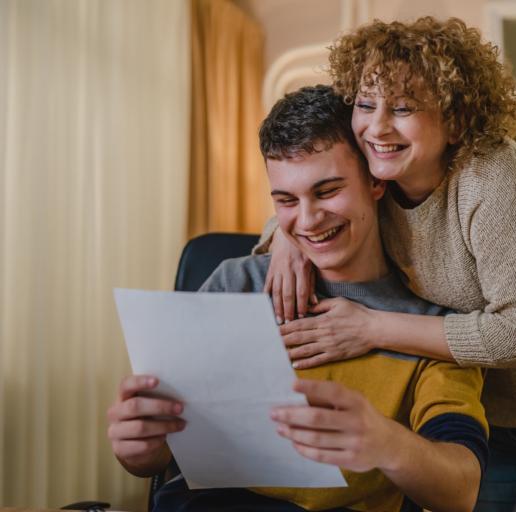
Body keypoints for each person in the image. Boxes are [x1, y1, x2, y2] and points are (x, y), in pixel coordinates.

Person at [259, 17, 516, 509]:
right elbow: (308, 201)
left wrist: (371, 328)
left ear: (456, 118)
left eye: (402, 108)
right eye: (365, 104)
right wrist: (283, 240)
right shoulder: (379, 173)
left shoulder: (490, 173)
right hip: (487, 418)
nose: (376, 126)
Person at [107, 84, 488, 512]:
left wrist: (384, 441)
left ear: (376, 182)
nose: (307, 221)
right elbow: (160, 455)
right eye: (286, 200)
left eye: (327, 191)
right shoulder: (236, 285)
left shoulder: (432, 322)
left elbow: (460, 490)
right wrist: (138, 448)